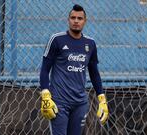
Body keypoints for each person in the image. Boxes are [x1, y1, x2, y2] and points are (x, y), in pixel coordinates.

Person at [39, 4, 109, 135]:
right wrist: (45, 95)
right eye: (73, 17)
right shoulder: (56, 39)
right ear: (68, 20)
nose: (76, 21)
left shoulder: (90, 44)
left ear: (85, 21)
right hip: (59, 102)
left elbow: (94, 73)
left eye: (79, 18)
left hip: (80, 103)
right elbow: (44, 70)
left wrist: (102, 98)